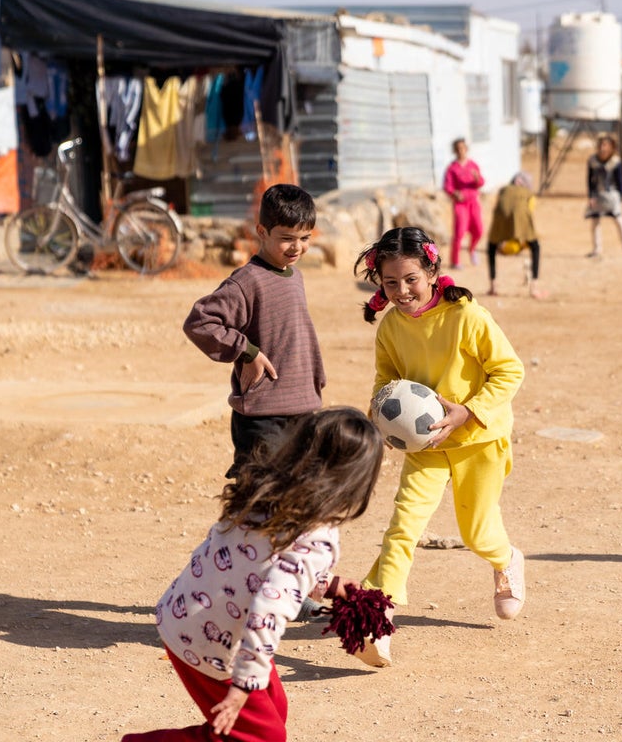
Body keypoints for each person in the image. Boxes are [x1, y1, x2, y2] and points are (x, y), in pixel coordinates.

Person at [122, 408, 386, 742]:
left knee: (273, 711)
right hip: (213, 642)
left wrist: (327, 584)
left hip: (188, 616)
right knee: (263, 737)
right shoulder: (318, 537)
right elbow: (268, 611)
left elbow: (265, 566)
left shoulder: (266, 493)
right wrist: (241, 687)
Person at [354, 226, 527, 667]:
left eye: (410, 278)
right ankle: (377, 617)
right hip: (425, 445)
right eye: (390, 283)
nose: (402, 291)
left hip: (478, 439)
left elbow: (509, 371)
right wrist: (383, 421)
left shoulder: (468, 317)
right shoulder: (390, 328)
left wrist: (467, 412)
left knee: (477, 532)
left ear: (432, 270)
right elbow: (384, 382)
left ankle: (506, 560)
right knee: (403, 527)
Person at [183, 184, 325, 482]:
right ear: (262, 231)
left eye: (304, 238)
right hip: (263, 417)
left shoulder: (294, 275)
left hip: (301, 410)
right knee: (259, 497)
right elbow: (200, 321)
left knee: (298, 494)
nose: (296, 247)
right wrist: (247, 352)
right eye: (286, 238)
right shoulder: (247, 281)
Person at [486, 172, 546, 299]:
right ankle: (534, 288)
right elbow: (530, 208)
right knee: (535, 246)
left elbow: (498, 205)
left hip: (500, 215)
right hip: (520, 214)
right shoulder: (527, 192)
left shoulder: (504, 189)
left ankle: (493, 286)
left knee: (491, 246)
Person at [585, 135, 622, 257]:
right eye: (601, 145)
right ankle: (597, 248)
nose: (602, 148)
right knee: (595, 221)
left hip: (612, 195)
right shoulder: (593, 161)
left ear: (612, 148)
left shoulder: (615, 162)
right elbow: (590, 180)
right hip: (598, 194)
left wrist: (621, 197)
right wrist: (591, 196)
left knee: (618, 218)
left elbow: (620, 181)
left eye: (605, 145)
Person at [442, 137, 485, 269]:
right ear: (455, 151)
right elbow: (447, 187)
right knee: (459, 232)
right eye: (458, 149)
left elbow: (481, 182)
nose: (461, 151)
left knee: (479, 230)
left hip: (473, 202)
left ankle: (472, 249)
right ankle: (455, 261)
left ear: (466, 149)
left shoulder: (473, 165)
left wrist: (477, 178)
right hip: (460, 204)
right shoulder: (452, 168)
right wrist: (455, 193)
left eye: (463, 148)